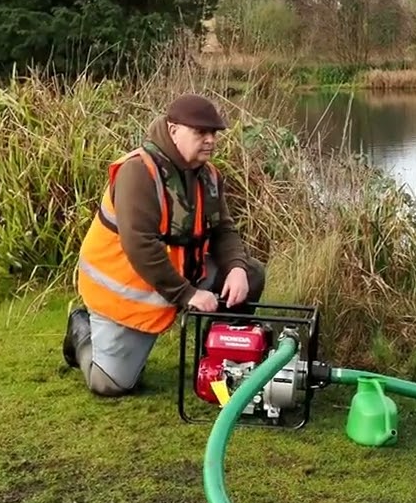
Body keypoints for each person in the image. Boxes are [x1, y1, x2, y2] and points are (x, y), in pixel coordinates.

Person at [62, 93, 266, 397]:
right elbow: (140, 246)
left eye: (214, 133)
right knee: (111, 384)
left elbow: (223, 229)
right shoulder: (138, 172)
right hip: (125, 292)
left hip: (180, 277)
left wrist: (235, 268)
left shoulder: (209, 175)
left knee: (250, 275)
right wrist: (188, 294)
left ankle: (218, 365)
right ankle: (81, 329)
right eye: (200, 132)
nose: (210, 140)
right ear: (173, 130)